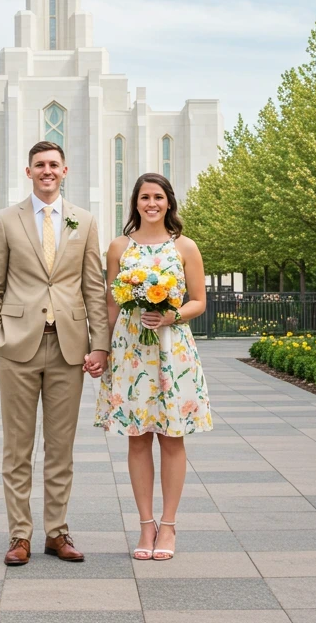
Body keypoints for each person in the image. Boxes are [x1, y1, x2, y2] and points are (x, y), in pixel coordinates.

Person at [0, 141, 109, 566]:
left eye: (54, 164)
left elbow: (94, 288)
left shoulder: (84, 221)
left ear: (65, 170)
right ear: (28, 171)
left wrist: (100, 344)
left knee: (61, 447)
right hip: (17, 346)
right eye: (40, 165)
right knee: (18, 447)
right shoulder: (5, 220)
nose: (47, 171)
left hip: (68, 348)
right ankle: (20, 535)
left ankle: (57, 532)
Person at [95, 173, 212, 561]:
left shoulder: (185, 246)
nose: (151, 203)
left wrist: (171, 316)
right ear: (135, 203)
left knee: (172, 438)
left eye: (158, 197)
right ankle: (146, 525)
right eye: (144, 197)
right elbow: (111, 303)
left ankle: (170, 525)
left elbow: (199, 301)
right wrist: (103, 350)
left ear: (168, 202)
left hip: (171, 350)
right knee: (138, 436)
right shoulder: (118, 248)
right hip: (131, 352)